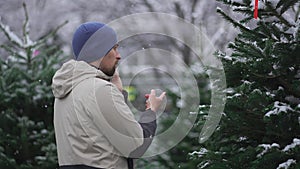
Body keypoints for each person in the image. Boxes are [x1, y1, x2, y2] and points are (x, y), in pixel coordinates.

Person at [51, 22, 165, 169]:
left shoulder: (67, 88)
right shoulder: (100, 91)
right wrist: (151, 111)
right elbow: (136, 147)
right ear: (99, 50)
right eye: (114, 48)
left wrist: (117, 93)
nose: (118, 56)